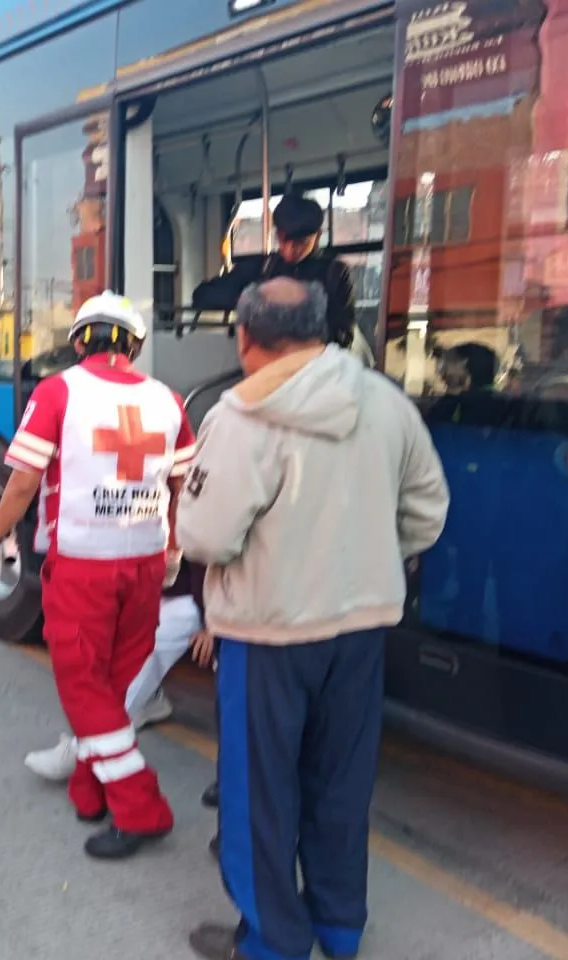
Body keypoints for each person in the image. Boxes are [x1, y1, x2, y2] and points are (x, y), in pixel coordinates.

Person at [178, 278, 449, 960]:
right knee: (340, 783)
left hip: (268, 636)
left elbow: (207, 537)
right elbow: (427, 507)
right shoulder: (385, 402)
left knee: (259, 795)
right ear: (323, 328)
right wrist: (377, 560)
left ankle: (272, 942)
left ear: (245, 336)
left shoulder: (241, 415)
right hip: (361, 631)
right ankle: (338, 927)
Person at [0, 291, 196, 860]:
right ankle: (89, 788)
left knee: (84, 690)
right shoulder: (170, 401)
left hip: (81, 566)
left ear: (80, 342)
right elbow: (183, 488)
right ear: (136, 345)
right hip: (147, 563)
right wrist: (172, 548)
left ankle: (140, 805)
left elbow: (23, 483)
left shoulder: (57, 391)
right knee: (114, 686)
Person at [24, 558, 212, 780]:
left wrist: (213, 622)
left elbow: (210, 555)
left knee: (147, 647)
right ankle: (148, 700)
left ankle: (86, 747)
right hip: (163, 583)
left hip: (206, 596)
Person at [194, 192, 373, 365]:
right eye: (283, 239)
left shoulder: (335, 274)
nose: (290, 249)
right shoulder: (262, 268)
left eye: (301, 242)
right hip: (268, 362)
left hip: (315, 365)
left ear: (317, 236)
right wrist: (250, 300)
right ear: (278, 234)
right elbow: (203, 295)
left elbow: (343, 332)